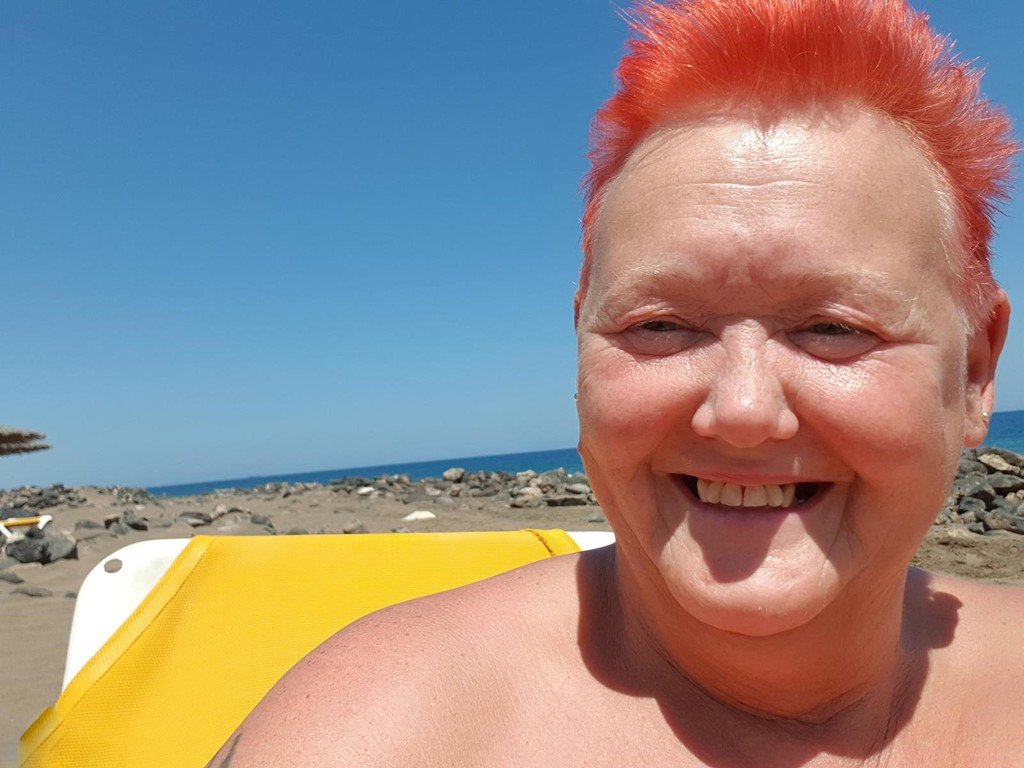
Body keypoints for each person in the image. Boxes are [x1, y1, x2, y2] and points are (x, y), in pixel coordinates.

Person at [210, 1, 1020, 765]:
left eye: (835, 329)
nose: (742, 411)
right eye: (659, 326)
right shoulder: (388, 733)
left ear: (976, 373)